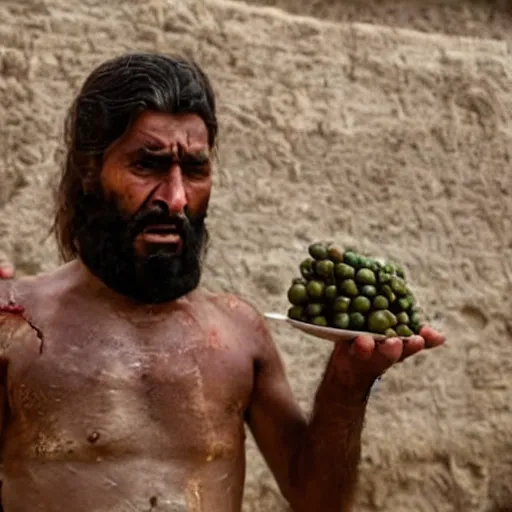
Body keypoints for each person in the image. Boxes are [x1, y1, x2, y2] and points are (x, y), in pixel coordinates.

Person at [0, 52, 445, 512]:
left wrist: (347, 386)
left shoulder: (238, 333)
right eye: (147, 165)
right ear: (90, 170)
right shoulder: (17, 324)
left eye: (194, 170)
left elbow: (319, 500)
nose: (175, 198)